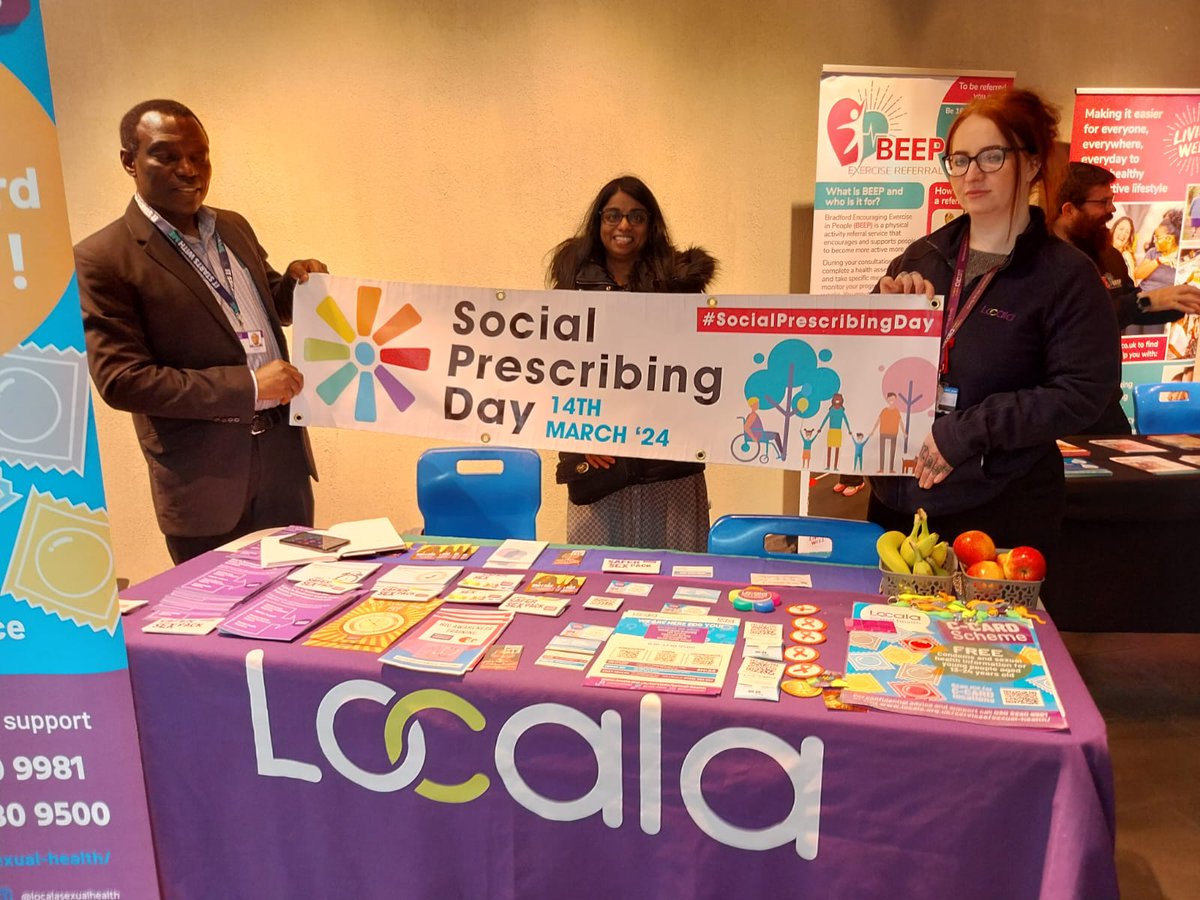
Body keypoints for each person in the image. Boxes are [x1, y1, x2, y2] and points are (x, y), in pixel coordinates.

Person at [866, 89, 1119, 562]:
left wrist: (969, 430)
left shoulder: (1065, 276)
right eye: (958, 160)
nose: (971, 174)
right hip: (897, 507)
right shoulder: (923, 256)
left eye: (991, 156)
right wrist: (882, 313)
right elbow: (867, 363)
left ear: (1032, 163)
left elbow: (1083, 392)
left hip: (999, 511)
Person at [75, 99, 326, 563]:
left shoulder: (232, 227)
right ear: (130, 161)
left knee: (299, 605)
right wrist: (249, 386)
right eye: (167, 156)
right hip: (204, 482)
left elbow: (260, 304)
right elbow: (122, 380)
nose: (189, 170)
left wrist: (296, 285)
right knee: (222, 622)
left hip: (282, 462)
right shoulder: (102, 258)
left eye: (199, 155)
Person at [547, 175, 717, 551]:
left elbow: (700, 368)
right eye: (613, 216)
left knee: (676, 582)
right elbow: (557, 372)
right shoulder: (571, 287)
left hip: (668, 468)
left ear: (650, 224)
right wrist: (580, 430)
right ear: (599, 222)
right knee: (595, 583)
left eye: (636, 217)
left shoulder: (681, 287)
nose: (624, 226)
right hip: (601, 469)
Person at [1051, 162, 1200, 432]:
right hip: (1055, 412)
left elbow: (1130, 304)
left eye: (1112, 200)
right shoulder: (1038, 262)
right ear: (1069, 210)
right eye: (1103, 202)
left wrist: (1178, 302)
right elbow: (1075, 323)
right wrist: (1145, 301)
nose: (1111, 210)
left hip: (1105, 408)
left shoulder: (1110, 256)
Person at [1134, 209, 1182, 292]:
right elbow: (1138, 274)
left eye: (1157, 237)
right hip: (1143, 295)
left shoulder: (1183, 256)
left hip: (1166, 299)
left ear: (1169, 239)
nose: (1154, 240)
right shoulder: (1153, 252)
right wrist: (1159, 260)